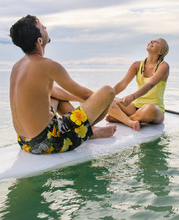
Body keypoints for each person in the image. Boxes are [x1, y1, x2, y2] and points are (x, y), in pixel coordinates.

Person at [9, 15, 116, 154]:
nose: (46, 28)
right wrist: (110, 101)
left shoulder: (17, 66)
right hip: (48, 142)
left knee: (55, 97)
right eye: (42, 27)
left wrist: (81, 101)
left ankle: (86, 131)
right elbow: (86, 95)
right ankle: (87, 133)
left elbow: (53, 91)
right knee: (108, 91)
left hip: (25, 142)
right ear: (39, 41)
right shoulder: (48, 65)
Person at [107, 38, 170, 131]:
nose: (151, 41)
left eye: (156, 42)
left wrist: (132, 97)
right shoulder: (137, 65)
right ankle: (130, 120)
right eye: (152, 40)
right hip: (135, 107)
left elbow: (150, 84)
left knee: (150, 108)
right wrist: (107, 96)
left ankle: (121, 119)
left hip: (153, 110)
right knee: (108, 101)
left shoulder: (163, 66)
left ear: (161, 52)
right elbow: (122, 84)